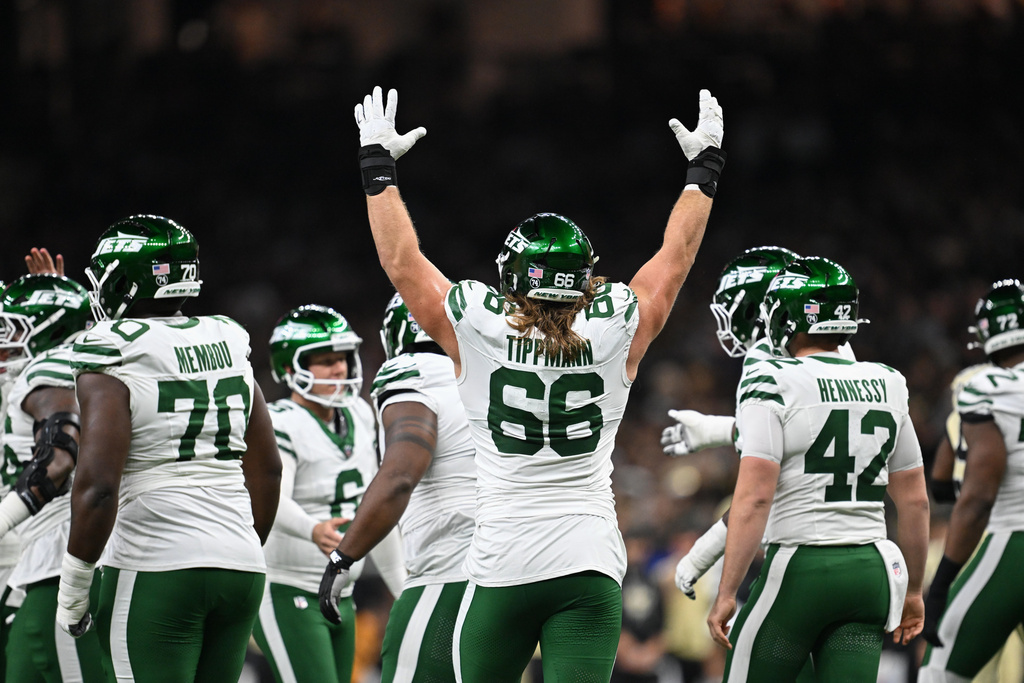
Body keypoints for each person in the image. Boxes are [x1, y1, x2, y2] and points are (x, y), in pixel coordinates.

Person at [321, 85, 726, 681]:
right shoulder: (617, 327)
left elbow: (402, 262)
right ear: (585, 278)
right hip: (589, 560)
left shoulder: (479, 326)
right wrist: (703, 172)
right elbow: (675, 258)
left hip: (503, 562)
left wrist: (377, 169)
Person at [54, 215, 282, 682]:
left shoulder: (112, 347)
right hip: (241, 563)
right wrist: (229, 547)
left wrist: (74, 589)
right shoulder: (228, 336)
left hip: (156, 561)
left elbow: (97, 485)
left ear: (122, 279)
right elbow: (269, 468)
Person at [706, 257, 929, 682]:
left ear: (787, 316)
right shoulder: (889, 381)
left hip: (802, 570)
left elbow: (755, 496)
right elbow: (914, 499)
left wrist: (727, 591)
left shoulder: (772, 377)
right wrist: (915, 590)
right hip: (870, 573)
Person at [319, 291, 475, 682]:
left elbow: (399, 478)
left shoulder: (415, 370)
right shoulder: (495, 374)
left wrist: (343, 556)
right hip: (515, 571)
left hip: (453, 567)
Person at [254, 303, 406, 683]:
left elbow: (375, 512)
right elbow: (270, 501)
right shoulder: (281, 423)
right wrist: (312, 529)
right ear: (291, 368)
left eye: (341, 357)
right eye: (324, 361)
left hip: (341, 589)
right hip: (288, 587)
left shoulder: (359, 412)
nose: (339, 369)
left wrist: (402, 587)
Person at [660, 246, 800, 599]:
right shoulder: (846, 363)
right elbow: (803, 436)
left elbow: (755, 497)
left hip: (804, 558)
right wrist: (720, 430)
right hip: (867, 551)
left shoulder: (765, 364)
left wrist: (702, 560)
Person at [0, 273, 107, 682]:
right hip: (46, 558)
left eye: (15, 330)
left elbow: (58, 458)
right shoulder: (86, 360)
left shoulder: (51, 366)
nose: (6, 342)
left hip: (62, 553)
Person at [919, 279, 1024, 682]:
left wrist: (942, 582)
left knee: (939, 672)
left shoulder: (984, 386)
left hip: (1011, 541)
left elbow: (978, 493)